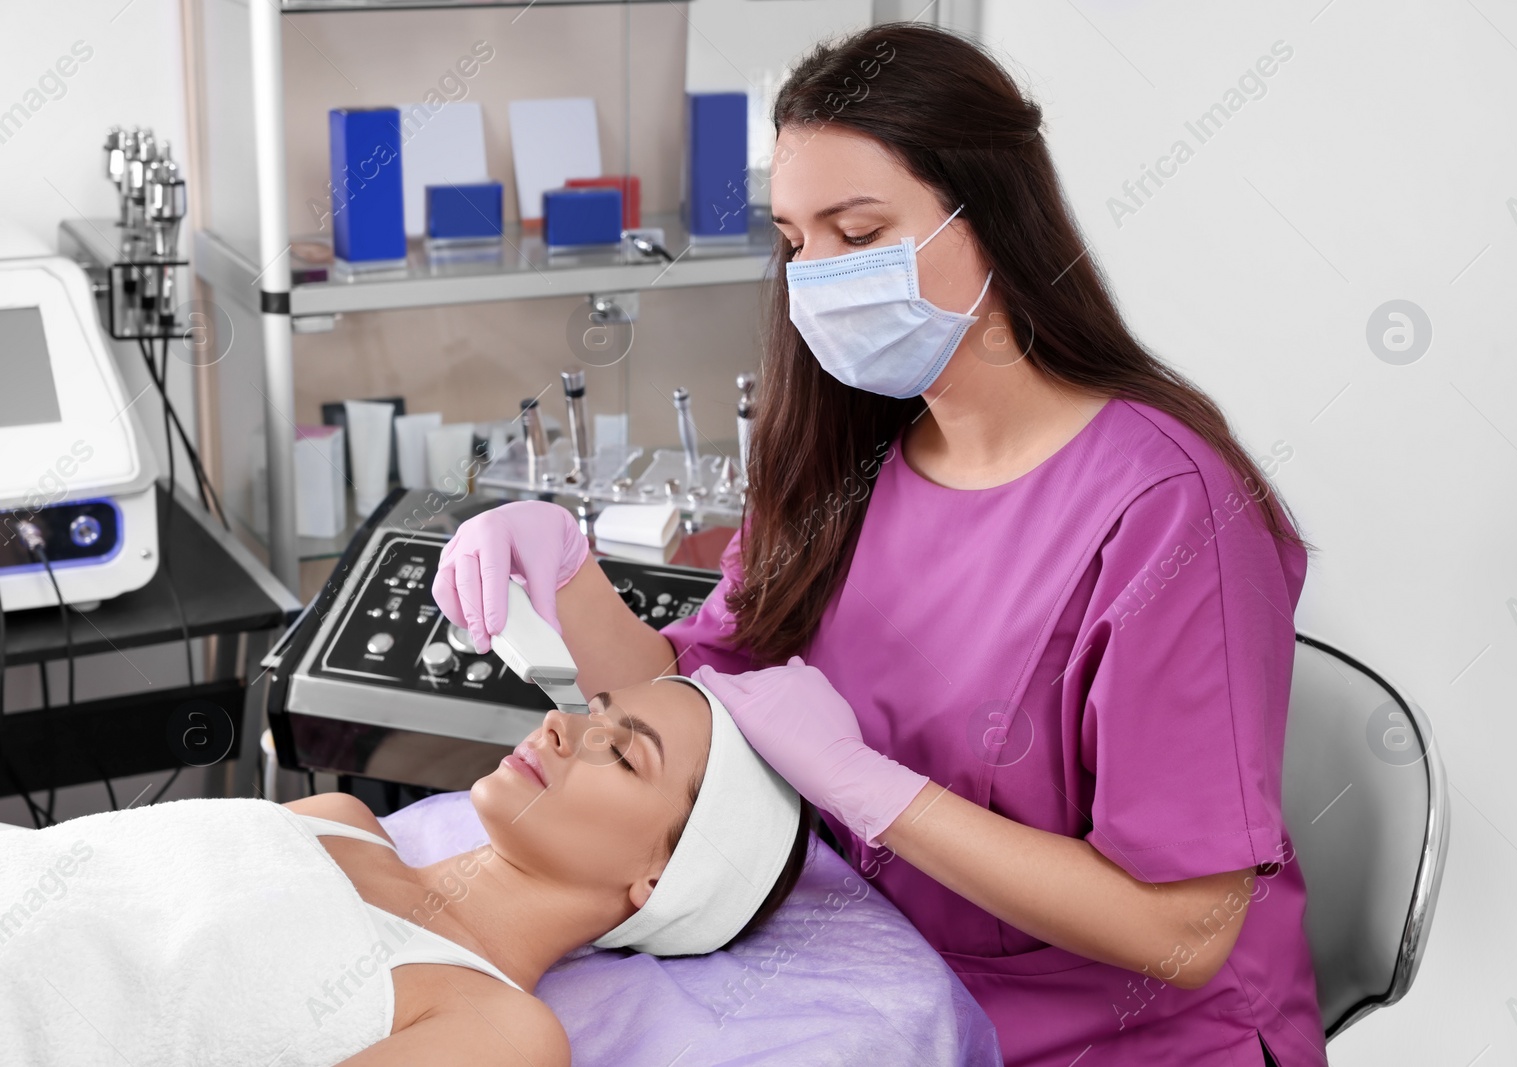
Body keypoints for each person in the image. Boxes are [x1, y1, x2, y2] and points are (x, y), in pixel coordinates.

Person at [432, 22, 1322, 1067]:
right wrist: (565, 574)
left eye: (858, 233)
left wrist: (871, 790)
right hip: (878, 985)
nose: (816, 278)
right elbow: (702, 700)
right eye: (795, 242)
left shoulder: (1170, 514)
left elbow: (1186, 930)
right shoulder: (850, 460)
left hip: (1113, 1040)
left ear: (992, 220)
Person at [0, 676, 808, 1067]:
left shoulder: (499, 1029)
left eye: (624, 753)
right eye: (593, 710)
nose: (563, 727)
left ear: (659, 880)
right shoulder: (338, 818)